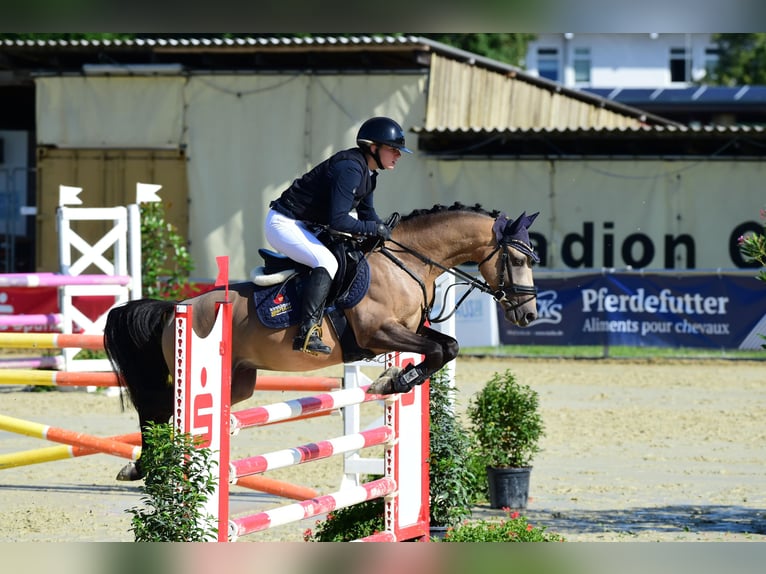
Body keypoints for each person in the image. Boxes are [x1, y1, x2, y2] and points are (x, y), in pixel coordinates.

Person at [265, 116, 413, 355]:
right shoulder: (350, 169)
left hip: (308, 225)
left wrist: (388, 236)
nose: (398, 155)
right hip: (285, 224)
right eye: (393, 150)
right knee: (326, 261)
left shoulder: (368, 174)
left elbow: (367, 213)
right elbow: (339, 220)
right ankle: (307, 332)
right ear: (373, 148)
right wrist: (375, 229)